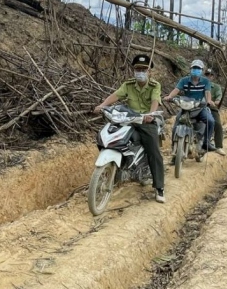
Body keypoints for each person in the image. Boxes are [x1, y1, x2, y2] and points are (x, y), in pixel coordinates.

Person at [93, 54, 166, 203]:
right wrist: (102, 106)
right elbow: (116, 95)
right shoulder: (128, 84)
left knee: (154, 151)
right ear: (133, 70)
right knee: (108, 136)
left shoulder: (155, 85)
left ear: (149, 71)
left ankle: (159, 187)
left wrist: (150, 114)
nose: (140, 72)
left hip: (146, 121)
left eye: (144, 69)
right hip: (128, 118)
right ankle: (115, 168)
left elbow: (155, 100)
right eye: (138, 69)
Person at [162, 59, 217, 152]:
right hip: (186, 107)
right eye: (194, 68)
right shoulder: (184, 80)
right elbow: (176, 90)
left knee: (210, 121)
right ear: (190, 69)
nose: (196, 70)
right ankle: (174, 149)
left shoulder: (205, 81)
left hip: (200, 107)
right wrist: (170, 97)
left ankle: (206, 142)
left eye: (198, 68)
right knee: (176, 124)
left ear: (202, 70)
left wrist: (209, 101)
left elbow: (208, 92)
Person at [204, 67, 226, 155]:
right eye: (206, 75)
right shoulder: (199, 84)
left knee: (217, 124)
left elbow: (218, 99)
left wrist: (214, 102)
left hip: (211, 108)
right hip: (197, 107)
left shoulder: (216, 87)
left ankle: (218, 146)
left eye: (210, 75)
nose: (208, 77)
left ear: (213, 77)